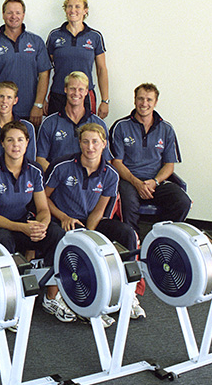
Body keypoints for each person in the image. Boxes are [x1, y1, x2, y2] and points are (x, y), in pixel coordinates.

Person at [45, 123, 144, 321]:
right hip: (61, 218)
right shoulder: (61, 166)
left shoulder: (111, 174)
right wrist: (63, 217)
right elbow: (43, 199)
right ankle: (52, 298)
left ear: (104, 144)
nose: (90, 147)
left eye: (95, 142)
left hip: (90, 221)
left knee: (127, 234)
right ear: (79, 143)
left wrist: (87, 236)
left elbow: (99, 210)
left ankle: (127, 292)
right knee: (58, 237)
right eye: (86, 142)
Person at [0, 121, 74, 322]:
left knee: (56, 234)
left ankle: (51, 296)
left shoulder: (35, 170)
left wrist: (41, 226)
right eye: (10, 140)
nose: (16, 145)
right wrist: (23, 228)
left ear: (27, 142)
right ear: (2, 143)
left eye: (20, 140)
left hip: (24, 226)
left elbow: (43, 209)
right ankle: (8, 301)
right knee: (4, 239)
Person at [109, 83, 192, 233]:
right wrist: (137, 183)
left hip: (156, 182)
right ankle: (133, 243)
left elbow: (169, 165)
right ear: (134, 100)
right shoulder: (120, 126)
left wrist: (154, 182)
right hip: (128, 180)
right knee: (127, 203)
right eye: (141, 99)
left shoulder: (166, 129)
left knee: (182, 202)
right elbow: (116, 162)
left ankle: (161, 235)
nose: (144, 103)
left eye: (149, 99)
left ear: (155, 102)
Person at [0, 0, 50, 125]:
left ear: (23, 15)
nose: (14, 16)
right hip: (4, 111)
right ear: (3, 15)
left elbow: (44, 74)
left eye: (18, 13)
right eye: (9, 12)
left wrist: (39, 104)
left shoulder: (36, 42)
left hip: (31, 111)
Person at [46, 0, 110, 118]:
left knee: (85, 133)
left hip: (84, 96)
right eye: (69, 6)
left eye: (77, 7)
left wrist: (105, 100)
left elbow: (102, 69)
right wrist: (41, 100)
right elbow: (45, 70)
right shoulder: (54, 35)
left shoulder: (95, 37)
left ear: (85, 11)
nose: (73, 10)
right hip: (58, 94)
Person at [36, 71, 110, 171]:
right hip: (58, 182)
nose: (76, 93)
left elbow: (106, 161)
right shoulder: (49, 123)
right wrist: (58, 175)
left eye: (81, 89)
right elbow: (40, 158)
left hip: (88, 182)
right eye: (72, 88)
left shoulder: (99, 124)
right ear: (65, 89)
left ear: (86, 92)